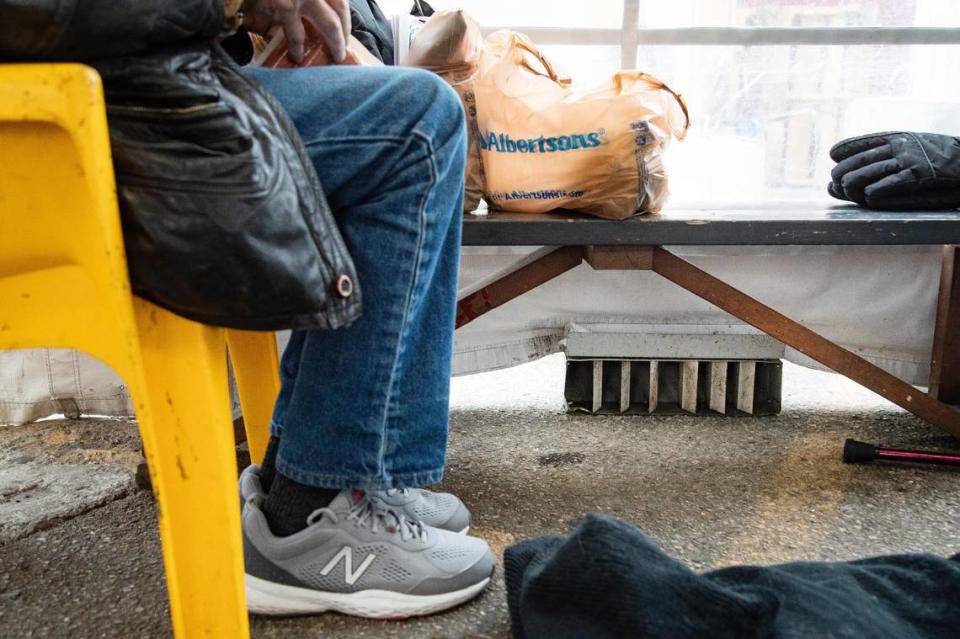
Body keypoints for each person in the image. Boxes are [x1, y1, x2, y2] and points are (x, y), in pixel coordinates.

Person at [226, 0, 496, 619]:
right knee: (419, 124)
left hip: (131, 87)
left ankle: (333, 472)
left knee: (405, 111)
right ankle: (311, 512)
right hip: (112, 108)